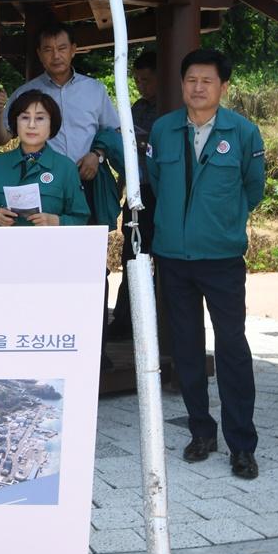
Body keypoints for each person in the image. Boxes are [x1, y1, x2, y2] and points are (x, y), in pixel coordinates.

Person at [145, 48, 265, 480]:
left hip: (223, 259)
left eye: (207, 81)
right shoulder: (163, 130)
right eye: (191, 79)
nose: (198, 87)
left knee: (232, 348)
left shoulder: (244, 132)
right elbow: (156, 181)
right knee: (187, 348)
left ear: (223, 87)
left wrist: (218, 223)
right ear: (182, 84)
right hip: (174, 258)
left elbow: (253, 189)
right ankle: (201, 431)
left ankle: (242, 444)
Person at [0, 22, 121, 223]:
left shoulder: (94, 90)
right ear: (39, 53)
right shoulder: (26, 93)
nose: (56, 56)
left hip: (85, 178)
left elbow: (114, 131)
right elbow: (3, 136)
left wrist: (97, 155)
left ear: (73, 49)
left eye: (62, 48)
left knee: (87, 246)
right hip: (43, 183)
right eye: (48, 49)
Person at [0, 89, 90, 227]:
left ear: (51, 124)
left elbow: (81, 219)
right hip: (5, 247)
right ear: (15, 122)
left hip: (50, 246)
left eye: (40, 118)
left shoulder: (66, 167)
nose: (31, 125)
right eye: (25, 117)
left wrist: (56, 221)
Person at [108, 50, 159, 340]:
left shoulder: (171, 109)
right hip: (137, 194)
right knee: (131, 256)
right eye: (137, 80)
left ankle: (157, 323)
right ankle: (125, 318)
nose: (141, 85)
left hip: (161, 194)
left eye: (146, 80)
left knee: (162, 262)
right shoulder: (137, 108)